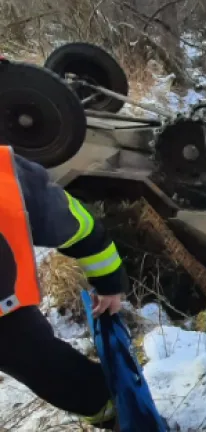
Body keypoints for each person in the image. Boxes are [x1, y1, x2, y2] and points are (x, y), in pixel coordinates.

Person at [0, 144, 125, 430]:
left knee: (52, 372)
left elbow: (79, 228)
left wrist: (108, 283)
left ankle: (116, 415)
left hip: (6, 321)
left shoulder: (5, 175)